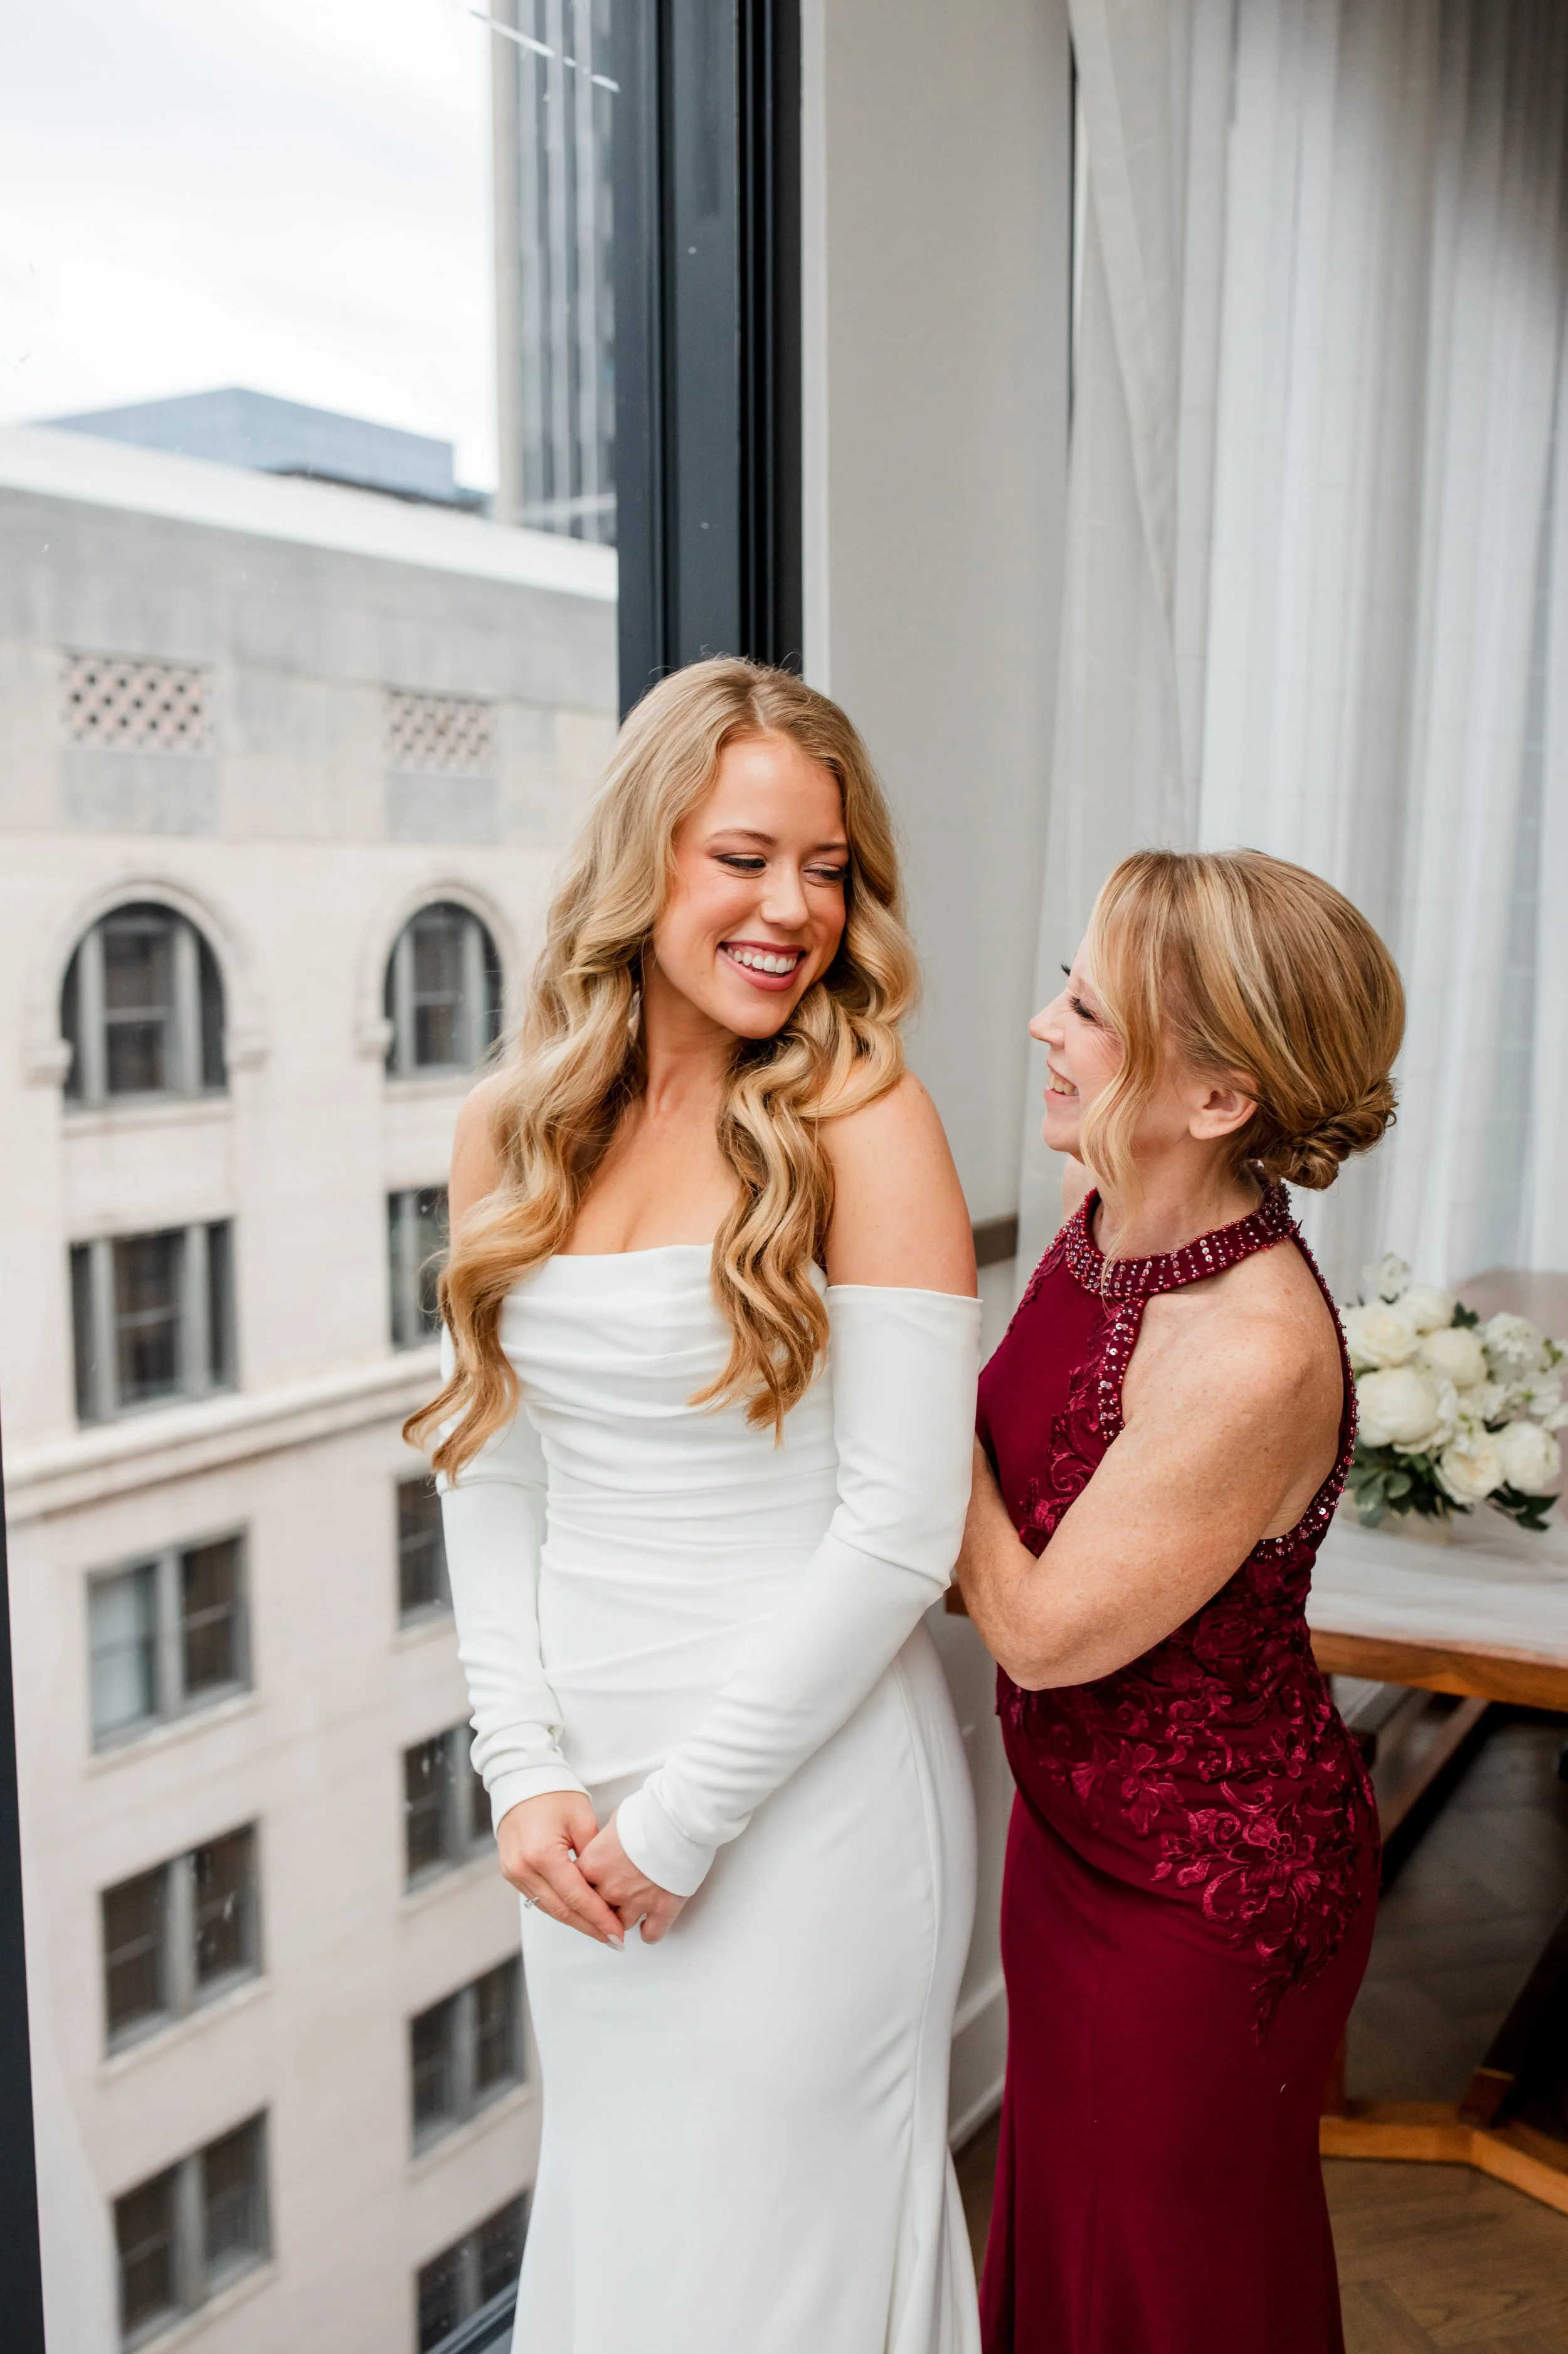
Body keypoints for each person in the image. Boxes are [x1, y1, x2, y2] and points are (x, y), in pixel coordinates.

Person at [407, 657, 983, 2354]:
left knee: (778, 2282)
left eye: (827, 868)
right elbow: (487, 1470)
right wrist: (525, 1776)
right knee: (639, 2250)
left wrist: (680, 1824)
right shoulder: (508, 1127)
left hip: (798, 1808)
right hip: (581, 1821)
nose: (790, 909)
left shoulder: (865, 1120)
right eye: (744, 856)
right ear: (643, 854)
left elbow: (896, 1529)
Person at [957, 849, 1404, 2354]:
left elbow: (1031, 1624)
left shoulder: (1251, 1350)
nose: (1040, 1025)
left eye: (1086, 1008)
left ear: (1218, 1100)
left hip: (1203, 1900)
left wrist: (886, 1404)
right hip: (1073, 1835)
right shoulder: (1101, 1213)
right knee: (1073, 2240)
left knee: (1174, 2283)